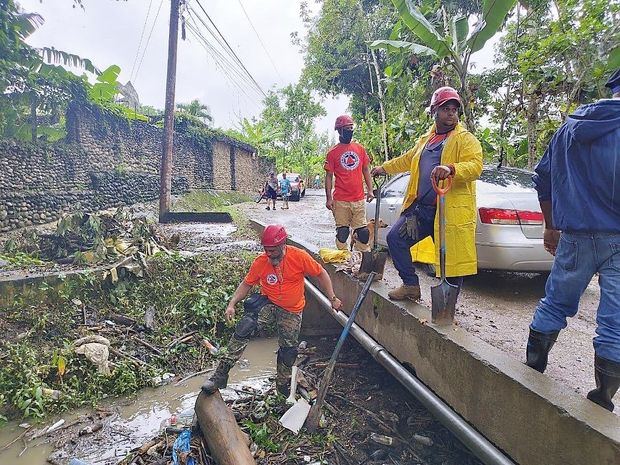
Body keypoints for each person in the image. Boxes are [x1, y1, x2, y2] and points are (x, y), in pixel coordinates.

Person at [524, 69, 620, 412]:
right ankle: (601, 399)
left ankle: (532, 371)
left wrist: (550, 225)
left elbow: (543, 177)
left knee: (555, 303)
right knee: (615, 320)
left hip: (576, 235)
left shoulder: (569, 128)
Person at [202, 224, 343, 395]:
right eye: (266, 250)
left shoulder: (299, 257)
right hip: (269, 304)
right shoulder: (261, 262)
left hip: (292, 310)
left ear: (283, 245)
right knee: (244, 327)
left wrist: (332, 298)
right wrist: (232, 303)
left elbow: (321, 274)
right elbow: (247, 284)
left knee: (288, 350)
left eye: (273, 250)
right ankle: (219, 376)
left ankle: (282, 388)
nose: (269, 254)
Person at [371, 87, 482, 301]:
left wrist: (451, 169)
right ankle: (411, 286)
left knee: (451, 261)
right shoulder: (426, 140)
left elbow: (476, 166)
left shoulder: (465, 139)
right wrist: (383, 168)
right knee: (395, 239)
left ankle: (447, 305)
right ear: (434, 111)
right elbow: (406, 159)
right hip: (420, 210)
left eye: (454, 109)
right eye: (445, 109)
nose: (451, 113)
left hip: (449, 212)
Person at [324, 115, 374, 251]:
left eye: (351, 128)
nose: (350, 131)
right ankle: (343, 259)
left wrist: (370, 190)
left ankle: (363, 261)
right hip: (340, 200)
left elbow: (365, 169)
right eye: (346, 129)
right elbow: (328, 176)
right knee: (343, 232)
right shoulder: (332, 153)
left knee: (363, 233)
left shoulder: (360, 149)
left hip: (358, 199)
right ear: (339, 131)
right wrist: (328, 198)